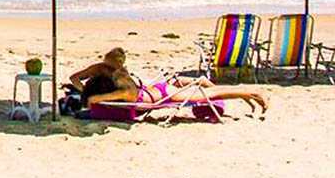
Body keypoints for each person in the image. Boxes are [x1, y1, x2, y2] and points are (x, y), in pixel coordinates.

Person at [71, 47, 267, 114]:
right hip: (155, 91)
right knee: (202, 89)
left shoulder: (123, 87)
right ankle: (209, 83)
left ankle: (248, 93)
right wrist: (90, 95)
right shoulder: (117, 80)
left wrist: (92, 98)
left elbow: (122, 94)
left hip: (159, 93)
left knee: (207, 94)